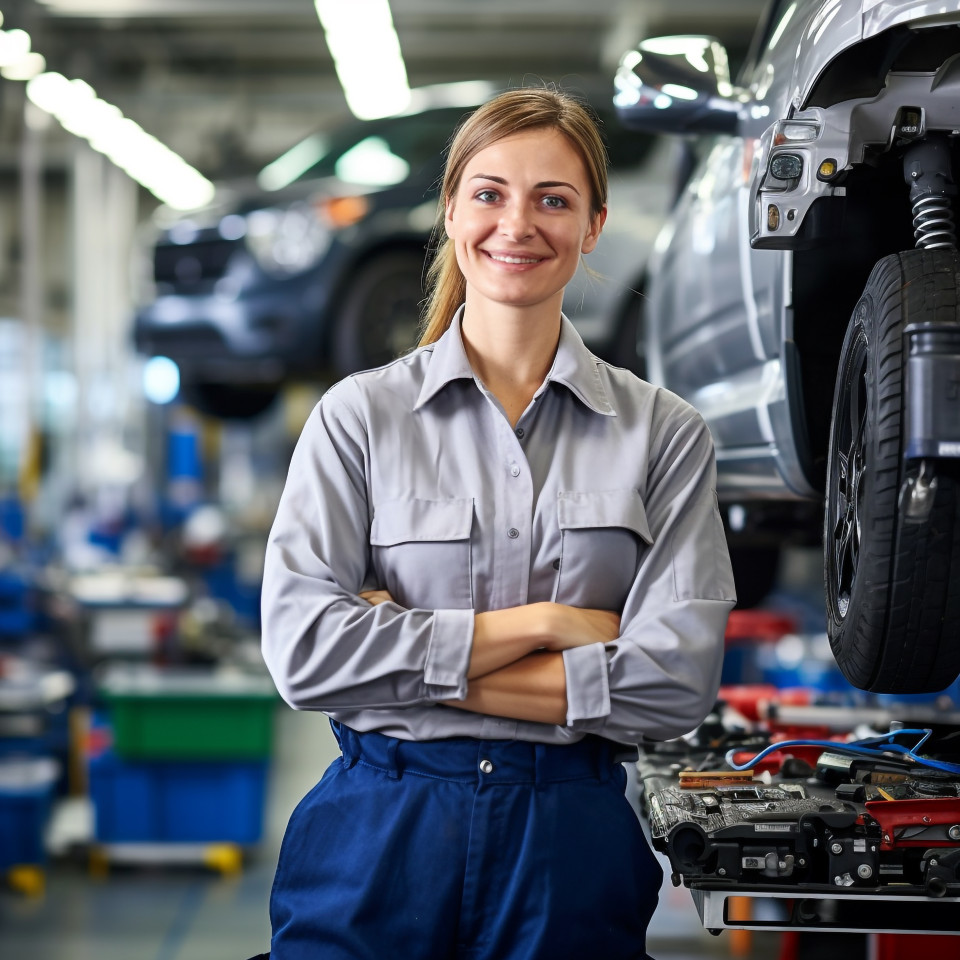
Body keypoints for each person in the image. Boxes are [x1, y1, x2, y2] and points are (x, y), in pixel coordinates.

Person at [258, 86, 736, 960]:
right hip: (378, 832)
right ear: (450, 212)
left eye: (553, 199)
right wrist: (548, 628)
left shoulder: (664, 434)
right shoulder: (358, 419)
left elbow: (673, 685)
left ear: (593, 225)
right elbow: (302, 651)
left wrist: (395, 653)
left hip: (569, 842)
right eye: (489, 193)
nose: (518, 223)